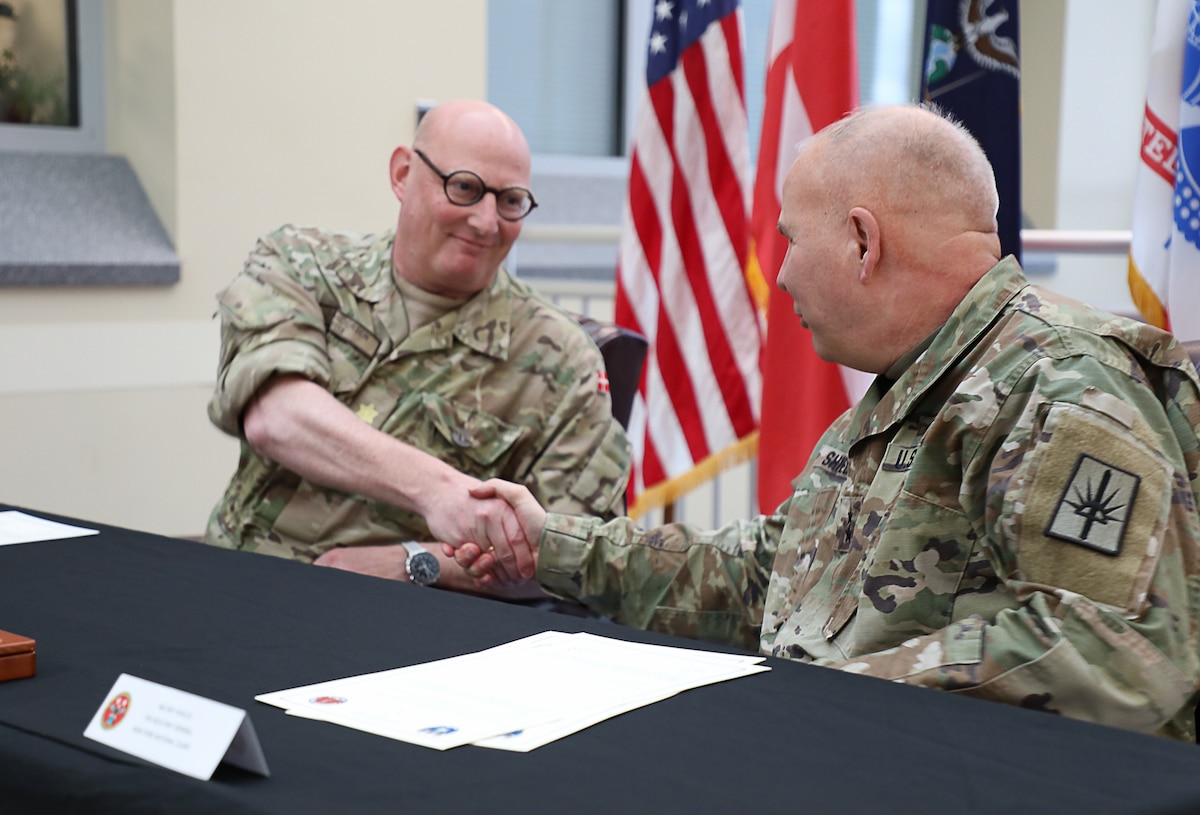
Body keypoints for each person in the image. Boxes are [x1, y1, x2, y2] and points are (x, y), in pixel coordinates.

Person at [456, 104, 1200, 740]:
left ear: (862, 242)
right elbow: (765, 576)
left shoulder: (1063, 385)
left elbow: (1114, 653)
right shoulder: (914, 382)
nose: (778, 275)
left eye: (789, 239)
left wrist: (831, 696)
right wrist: (550, 543)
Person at [205, 99, 631, 597]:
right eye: (465, 188)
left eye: (511, 200)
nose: (486, 221)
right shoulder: (301, 265)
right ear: (404, 174)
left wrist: (418, 561)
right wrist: (441, 494)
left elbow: (577, 553)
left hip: (401, 625)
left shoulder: (561, 358)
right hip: (235, 580)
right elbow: (277, 415)